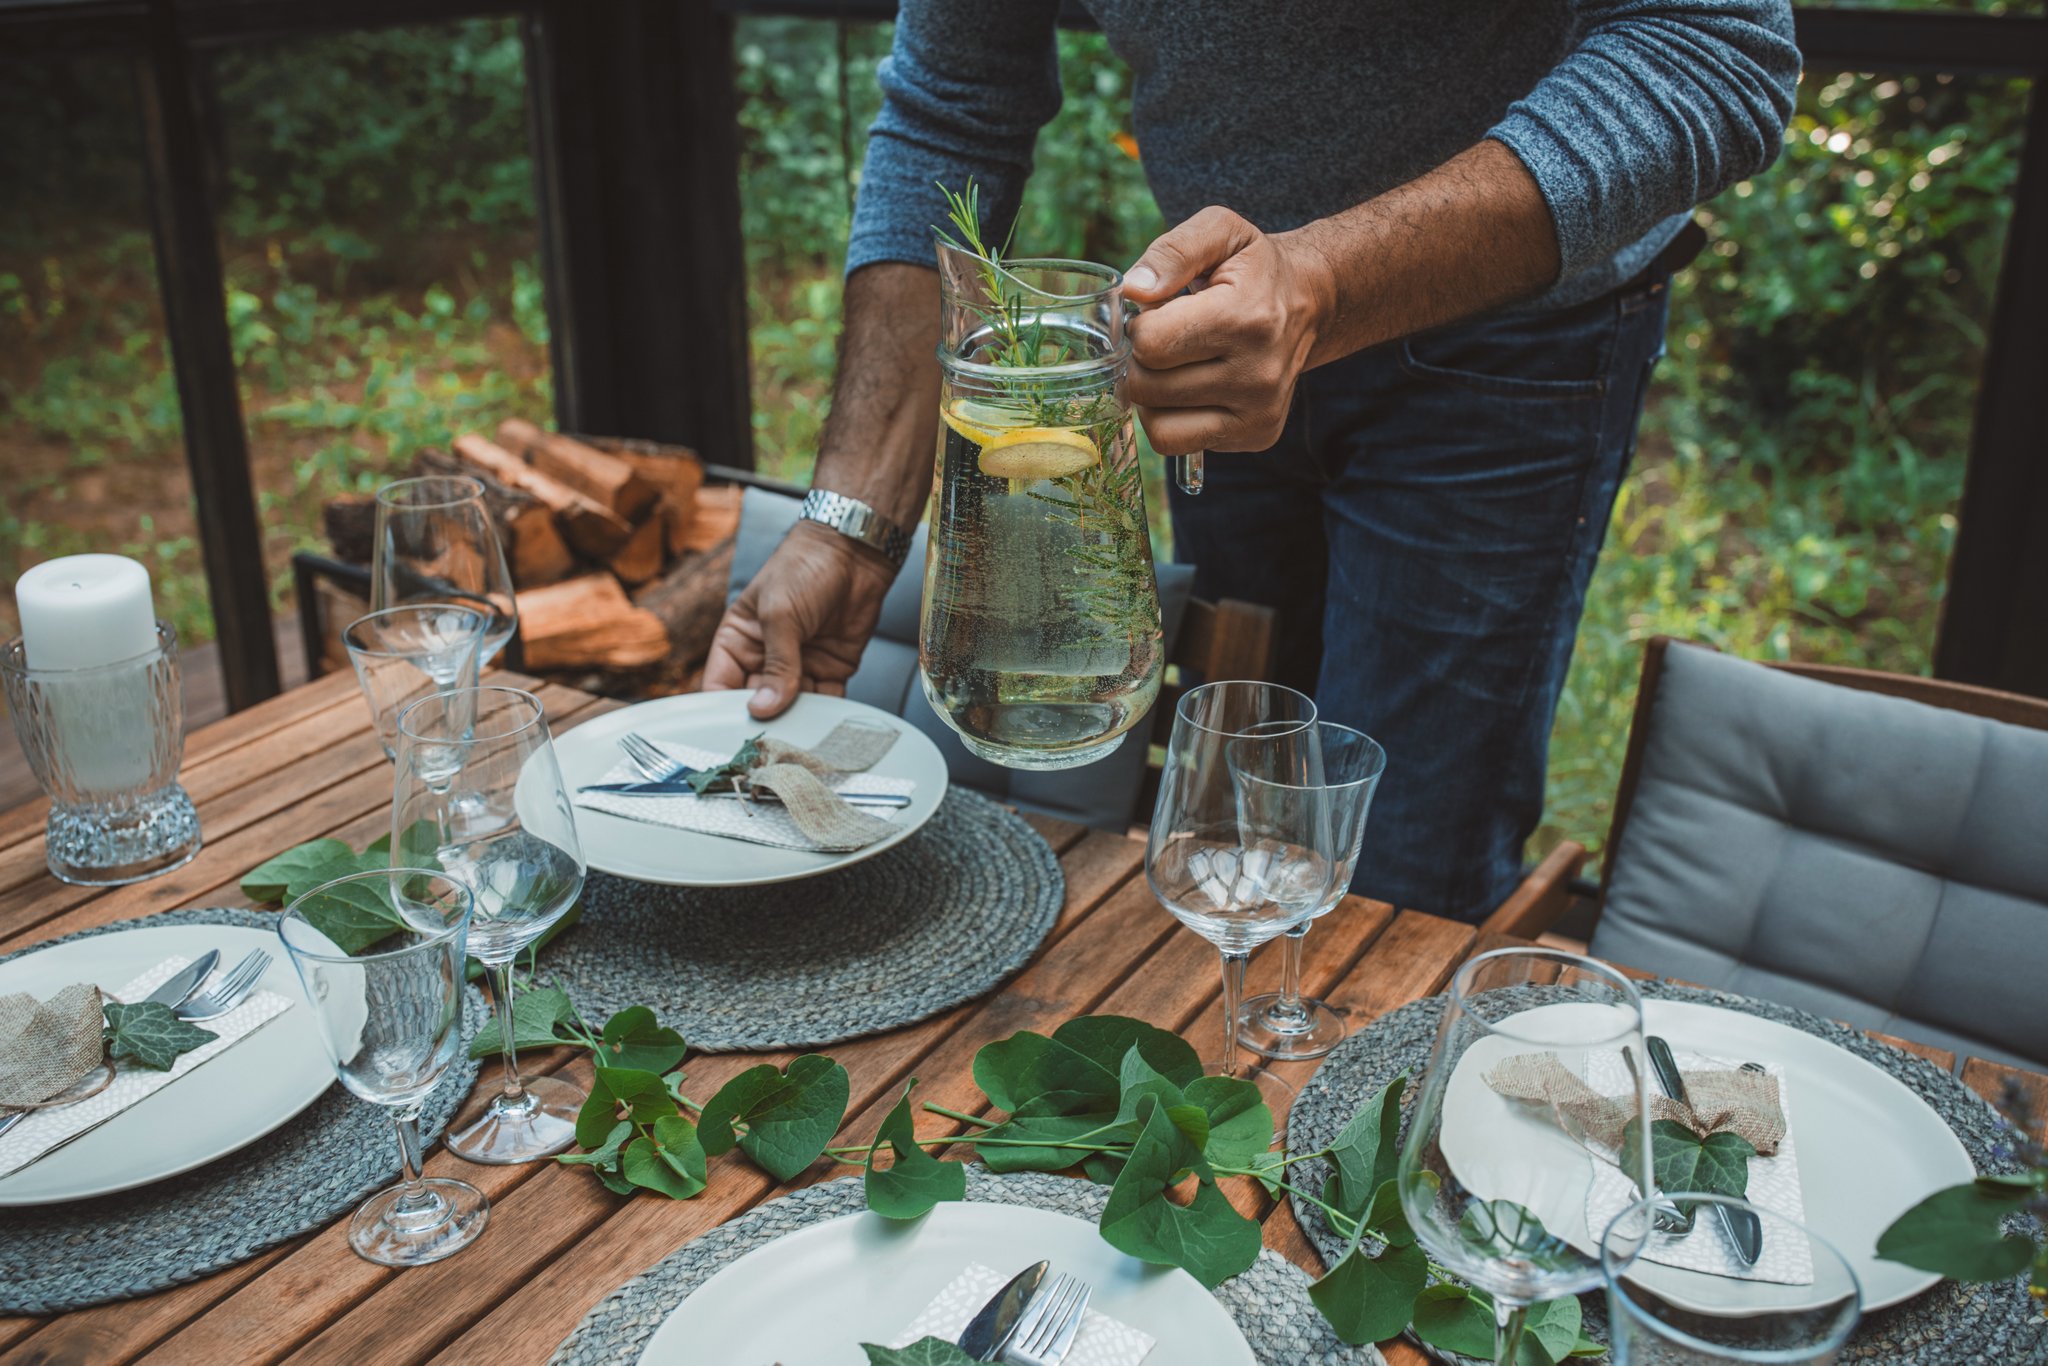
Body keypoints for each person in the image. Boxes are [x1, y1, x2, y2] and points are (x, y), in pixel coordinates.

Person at [704, 1, 1801, 922]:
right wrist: (846, 522)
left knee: (1395, 863)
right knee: (1228, 837)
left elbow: (1713, 46)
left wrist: (1319, 284)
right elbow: (951, 103)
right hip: (1213, 319)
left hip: (1509, 338)